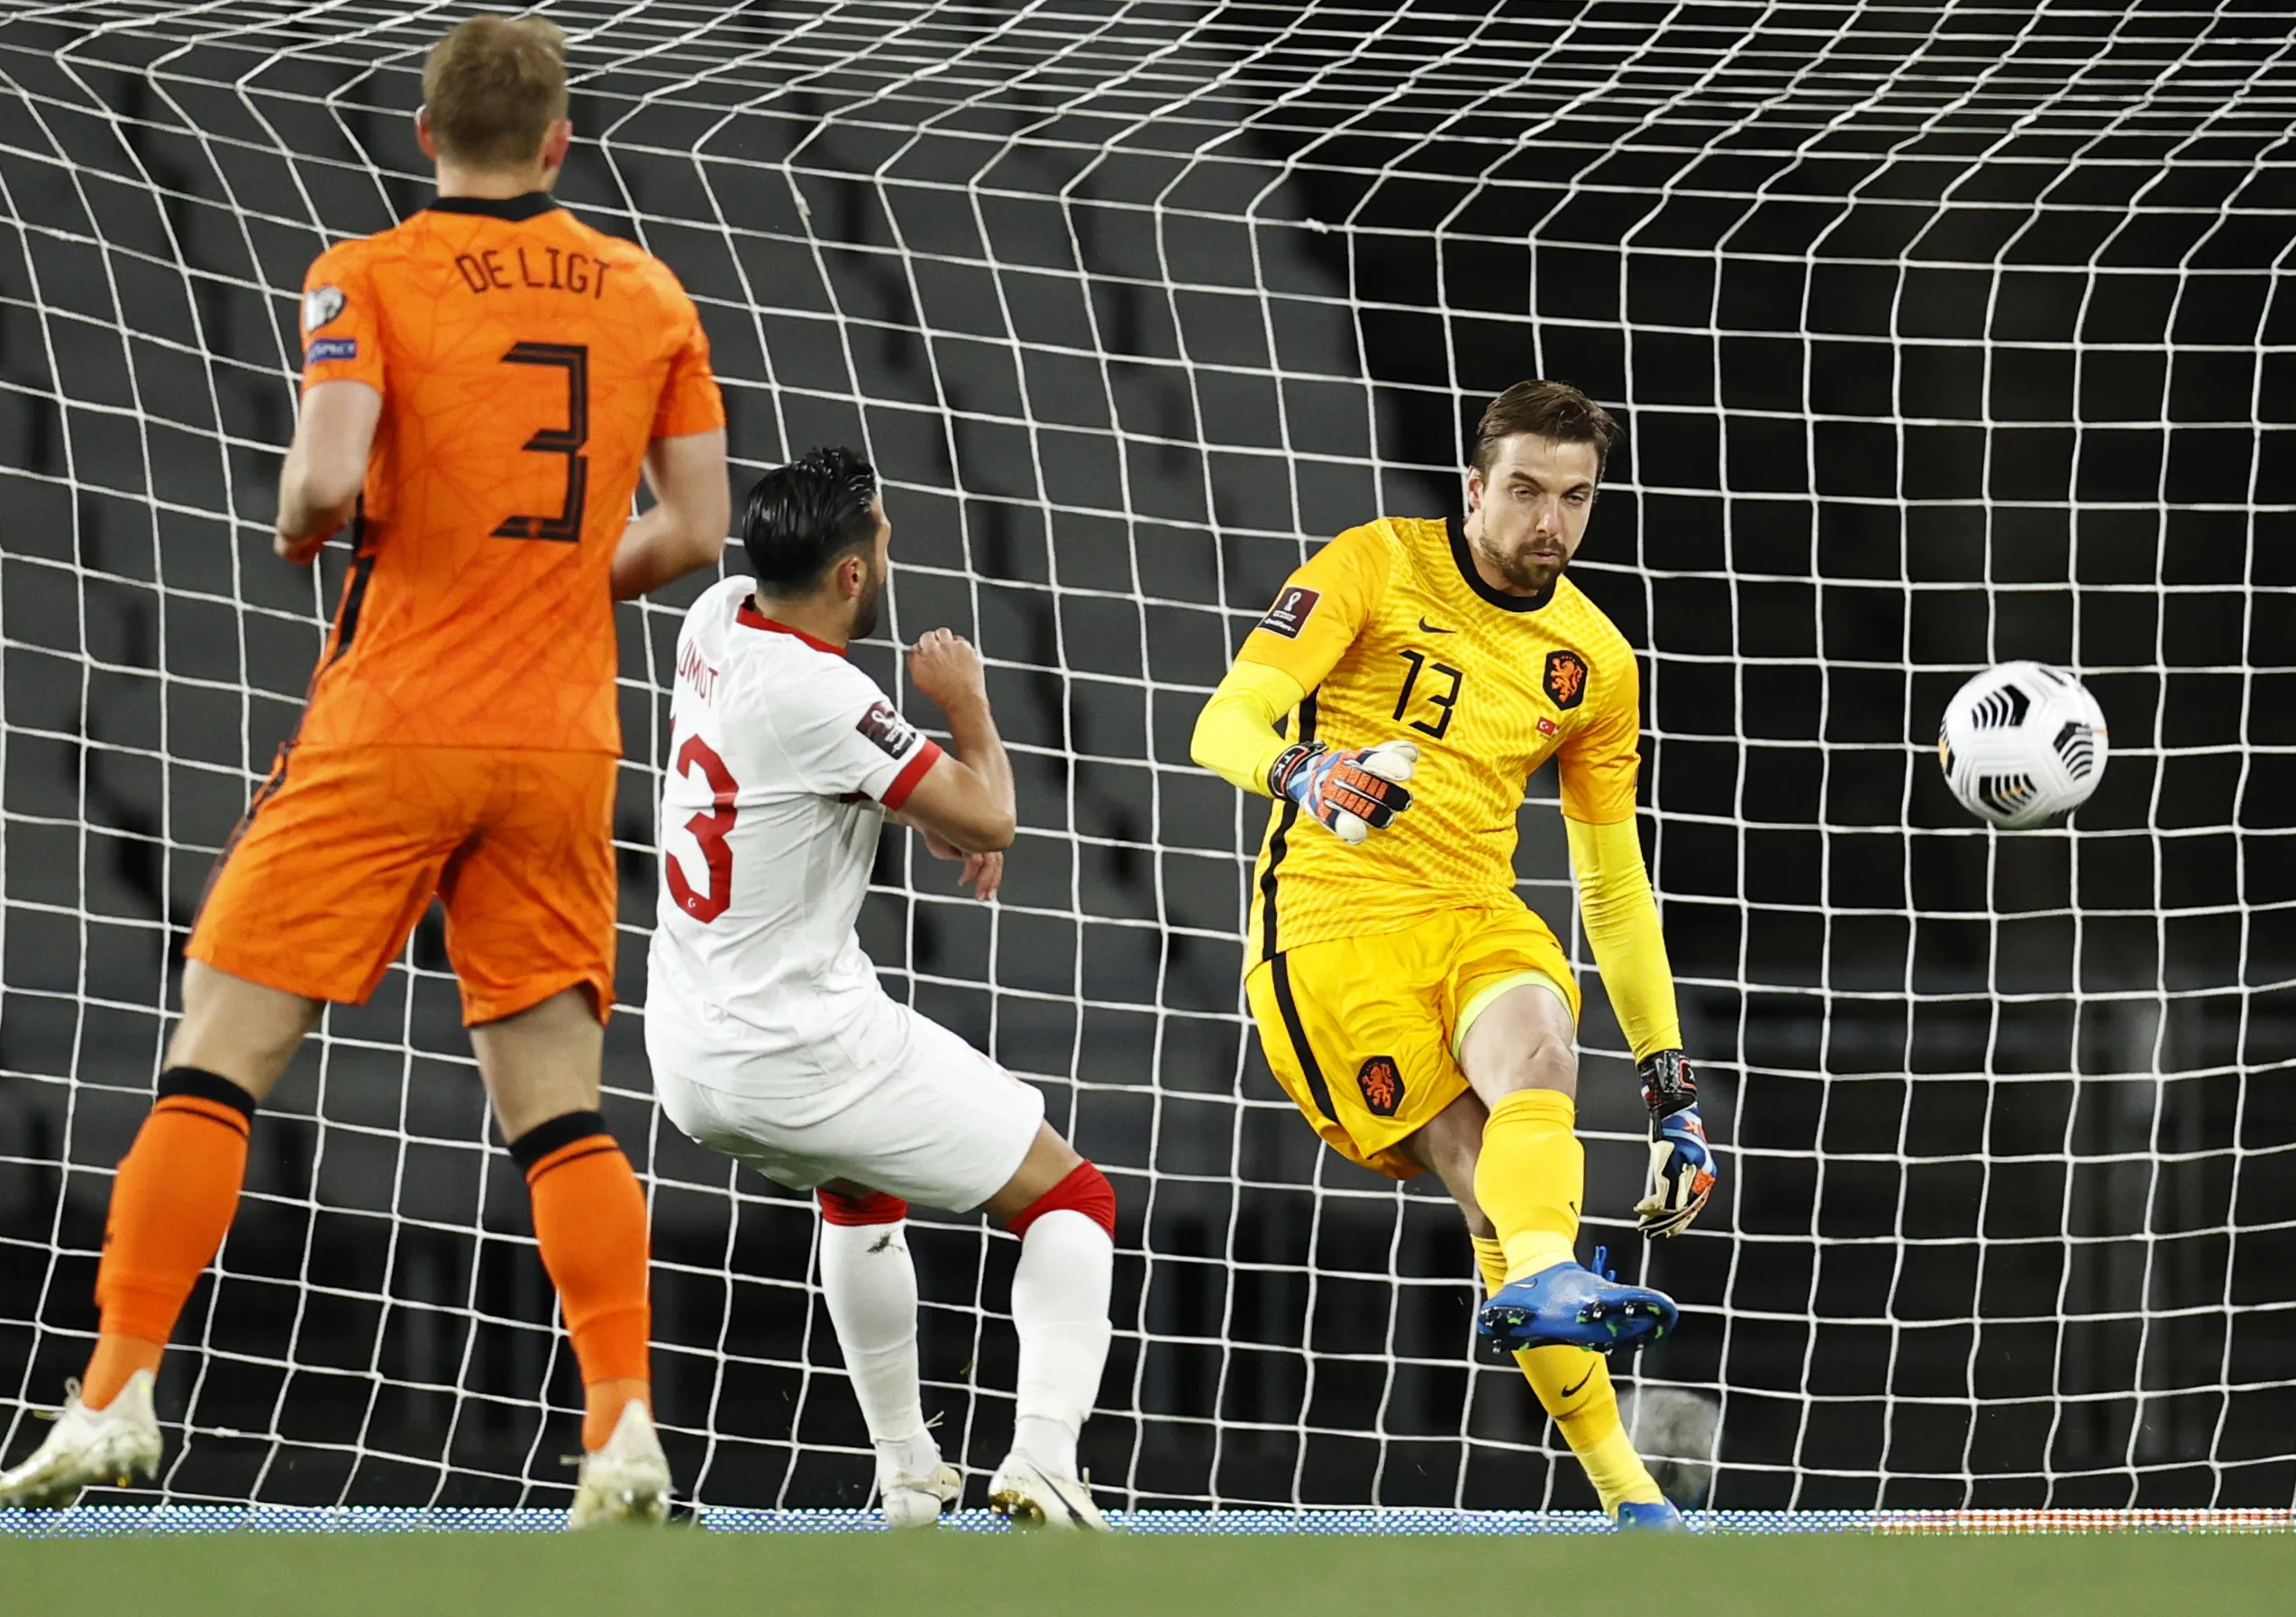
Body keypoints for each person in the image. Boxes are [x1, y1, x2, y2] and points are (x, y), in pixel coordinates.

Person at [0, 14, 730, 1526]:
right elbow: (701, 530)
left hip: (393, 722)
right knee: (561, 1109)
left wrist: (294, 525)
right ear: (558, 140)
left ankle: (115, 1388)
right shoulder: (651, 290)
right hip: (557, 742)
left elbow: (328, 477)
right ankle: (623, 1427)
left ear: (420, 134)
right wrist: (557, 592)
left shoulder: (368, 270)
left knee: (219, 1051)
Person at [1187, 379, 1717, 1529]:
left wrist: (1671, 1088)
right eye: (1524, 490)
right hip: (1330, 928)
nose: (1549, 522)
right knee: (1491, 1193)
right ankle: (1629, 1487)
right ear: (1474, 487)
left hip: (1479, 909)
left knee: (1542, 1051)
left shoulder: (1594, 660)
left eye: (1574, 498)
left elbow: (1612, 888)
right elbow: (1222, 721)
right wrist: (1304, 773)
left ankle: (1555, 1288)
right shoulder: (1373, 565)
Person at [645, 449, 1117, 1530]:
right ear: (853, 575)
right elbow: (992, 814)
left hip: (687, 1045)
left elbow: (797, 785)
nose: (891, 551)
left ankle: (911, 1476)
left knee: (858, 1188)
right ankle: (1043, 1456)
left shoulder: (715, 618)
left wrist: (920, 804)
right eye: (886, 539)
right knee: (1069, 1196)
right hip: (795, 1042)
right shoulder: (827, 690)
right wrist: (968, 710)